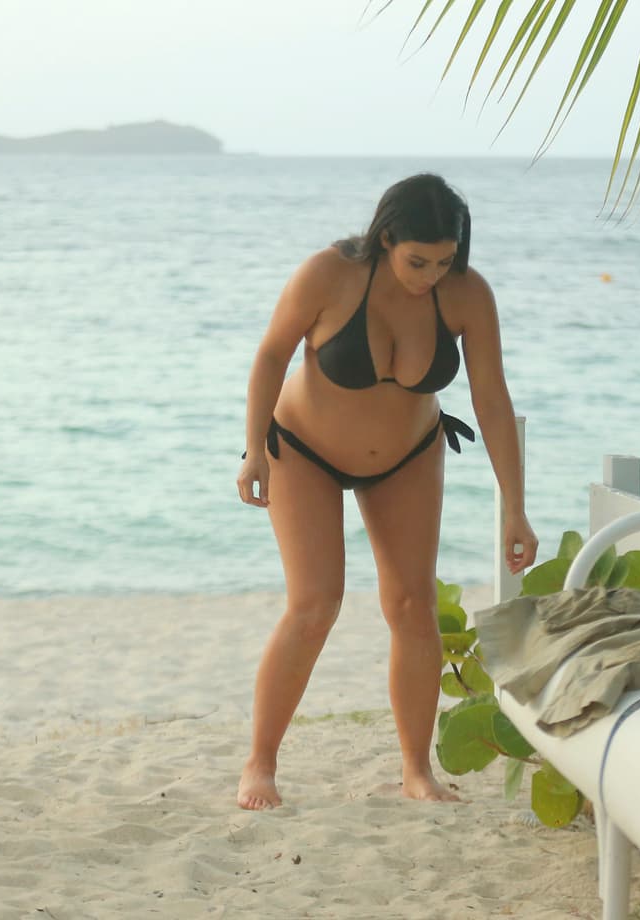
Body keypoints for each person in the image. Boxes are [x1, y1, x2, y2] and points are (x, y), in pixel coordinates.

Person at [235, 173, 538, 810]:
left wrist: (514, 504)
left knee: (411, 605)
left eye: (445, 261)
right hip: (304, 450)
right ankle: (260, 765)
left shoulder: (466, 296)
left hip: (409, 455)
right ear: (385, 238)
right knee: (314, 605)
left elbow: (491, 397)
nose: (429, 275)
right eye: (416, 261)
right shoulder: (328, 275)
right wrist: (254, 448)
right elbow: (269, 356)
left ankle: (415, 771)